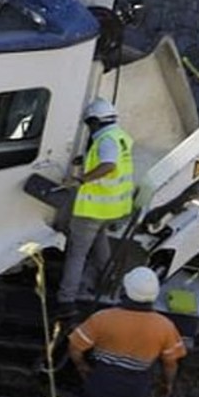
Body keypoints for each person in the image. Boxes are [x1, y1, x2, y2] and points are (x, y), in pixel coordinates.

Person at [67, 266, 187, 397]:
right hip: (135, 396)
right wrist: (166, 384)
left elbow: (75, 347)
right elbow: (171, 364)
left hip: (98, 390)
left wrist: (82, 366)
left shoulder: (103, 318)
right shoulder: (164, 326)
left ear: (125, 289)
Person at [57, 97, 135, 316]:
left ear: (95, 121)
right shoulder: (119, 137)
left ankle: (66, 300)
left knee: (77, 253)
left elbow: (108, 165)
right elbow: (111, 160)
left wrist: (81, 179)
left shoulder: (106, 140)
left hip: (93, 209)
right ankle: (110, 282)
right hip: (110, 208)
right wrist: (85, 160)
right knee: (101, 247)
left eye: (89, 123)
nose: (88, 127)